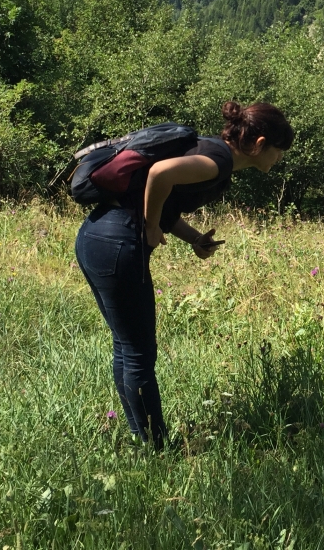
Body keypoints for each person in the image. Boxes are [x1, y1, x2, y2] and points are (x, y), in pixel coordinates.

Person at [74, 101, 294, 449]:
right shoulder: (218, 160)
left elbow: (164, 201)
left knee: (128, 348)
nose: (279, 160)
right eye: (279, 152)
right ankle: (156, 448)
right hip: (118, 241)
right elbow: (159, 174)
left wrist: (194, 238)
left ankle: (144, 440)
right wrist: (148, 227)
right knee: (137, 353)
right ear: (260, 143)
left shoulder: (211, 151)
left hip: (98, 235)